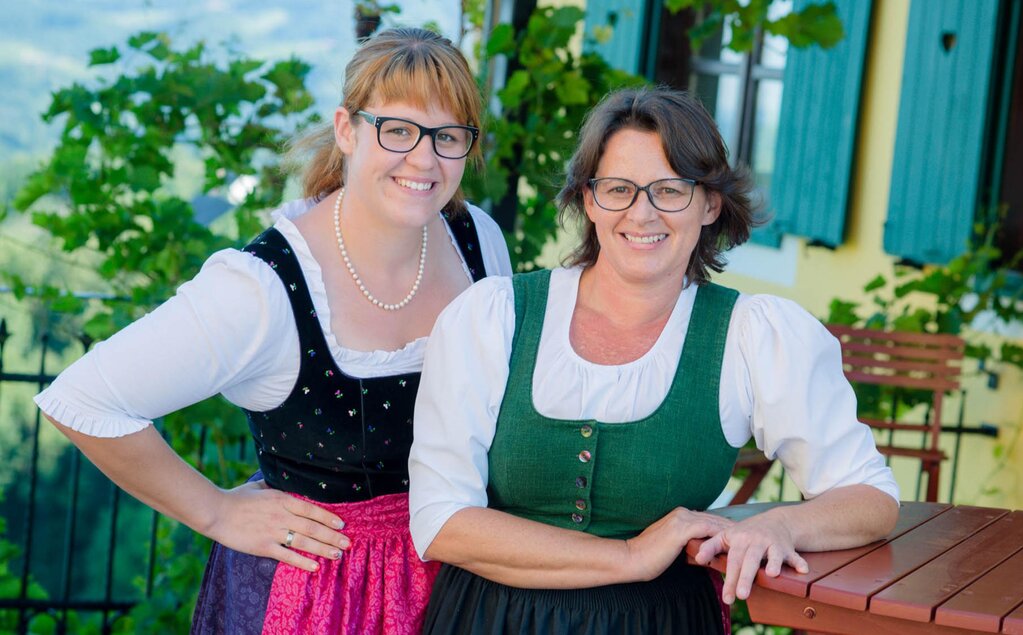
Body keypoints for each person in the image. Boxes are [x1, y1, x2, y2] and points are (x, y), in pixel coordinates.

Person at [33, 27, 511, 634]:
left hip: (458, 583)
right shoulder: (263, 288)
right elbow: (82, 401)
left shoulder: (478, 240)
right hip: (321, 599)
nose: (425, 158)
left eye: (448, 136)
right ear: (347, 130)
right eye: (398, 130)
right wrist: (216, 513)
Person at [407, 87, 901, 634]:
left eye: (670, 190)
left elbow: (870, 499)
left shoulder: (750, 336)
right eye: (619, 189)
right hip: (487, 620)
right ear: (589, 200)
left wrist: (781, 524)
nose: (642, 214)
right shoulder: (493, 317)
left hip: (660, 623)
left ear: (710, 204)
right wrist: (629, 558)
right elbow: (440, 520)